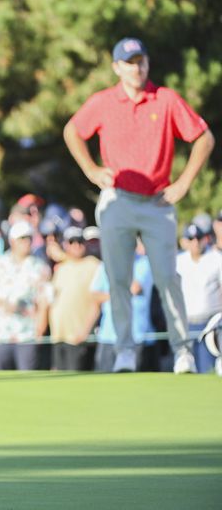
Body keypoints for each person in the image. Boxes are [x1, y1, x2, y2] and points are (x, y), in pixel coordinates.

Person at [64, 37, 215, 373]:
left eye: (141, 60)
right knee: (118, 277)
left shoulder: (165, 99)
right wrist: (90, 169)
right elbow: (73, 131)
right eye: (130, 62)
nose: (137, 67)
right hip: (117, 199)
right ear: (117, 67)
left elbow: (204, 137)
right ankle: (125, 350)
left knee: (166, 276)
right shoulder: (103, 102)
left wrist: (184, 183)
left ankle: (182, 350)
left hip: (157, 202)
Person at [0, 221, 51, 371]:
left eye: (28, 238)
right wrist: (2, 303)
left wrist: (40, 329)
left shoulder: (40, 267)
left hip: (28, 335)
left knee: (27, 381)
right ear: (12, 241)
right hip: (1, 334)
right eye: (22, 238)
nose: (26, 242)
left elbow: (44, 301)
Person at [89, 239, 156, 372]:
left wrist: (110, 294)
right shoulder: (105, 265)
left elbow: (134, 288)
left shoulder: (145, 263)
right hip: (108, 336)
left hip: (136, 336)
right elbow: (94, 295)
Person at [45, 227, 100, 371]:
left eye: (80, 241)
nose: (76, 245)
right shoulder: (61, 268)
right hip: (59, 336)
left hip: (78, 336)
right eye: (72, 241)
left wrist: (85, 331)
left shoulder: (92, 264)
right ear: (66, 244)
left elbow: (97, 302)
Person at [176, 224, 222, 373]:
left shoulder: (216, 259)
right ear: (184, 241)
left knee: (208, 370)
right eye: (191, 238)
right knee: (185, 371)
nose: (195, 242)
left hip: (210, 325)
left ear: (205, 239)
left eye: (199, 238)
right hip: (185, 325)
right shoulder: (178, 261)